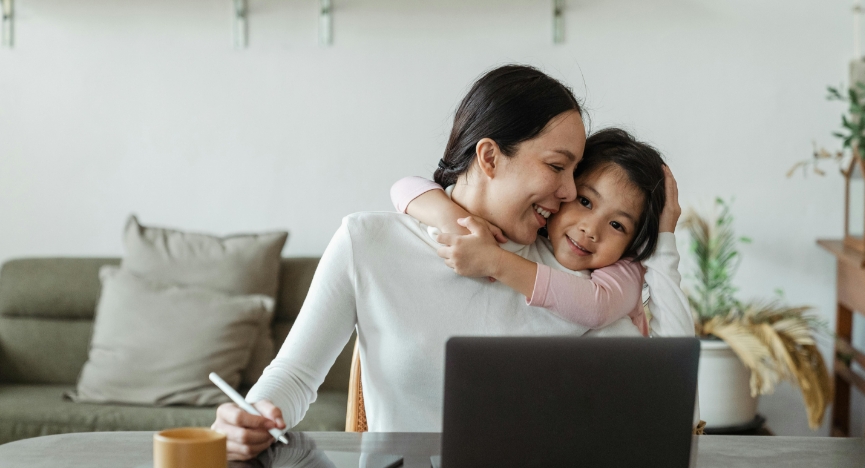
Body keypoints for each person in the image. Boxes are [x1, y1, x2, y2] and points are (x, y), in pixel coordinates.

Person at [211, 64, 695, 461]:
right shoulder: (368, 243)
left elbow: (666, 406)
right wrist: (251, 414)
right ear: (489, 157)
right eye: (556, 166)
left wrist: (665, 245)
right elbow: (294, 377)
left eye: (575, 172)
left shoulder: (576, 278)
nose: (569, 193)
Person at [390, 128, 675, 336]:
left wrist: (495, 262)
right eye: (585, 201)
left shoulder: (625, 268)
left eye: (617, 225)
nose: (591, 229)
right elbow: (404, 186)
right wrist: (454, 220)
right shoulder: (532, 232)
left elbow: (596, 307)